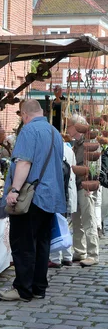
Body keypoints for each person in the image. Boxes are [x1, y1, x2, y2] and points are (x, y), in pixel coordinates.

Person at [0, 99, 66, 302]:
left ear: (24, 115)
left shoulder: (28, 131)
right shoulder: (55, 133)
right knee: (42, 243)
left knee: (23, 243)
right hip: (50, 196)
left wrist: (14, 190)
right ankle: (38, 287)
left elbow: (24, 163)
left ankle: (23, 289)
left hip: (31, 197)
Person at [67, 114, 99, 266]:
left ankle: (93, 253)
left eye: (69, 126)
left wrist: (91, 185)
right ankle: (80, 251)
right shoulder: (77, 144)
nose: (67, 129)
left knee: (88, 220)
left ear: (76, 127)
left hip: (85, 187)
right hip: (76, 186)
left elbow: (95, 166)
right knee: (76, 220)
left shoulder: (89, 143)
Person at [49, 140, 77, 267]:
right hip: (66, 193)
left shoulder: (54, 154)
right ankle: (67, 256)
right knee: (64, 225)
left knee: (56, 225)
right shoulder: (69, 150)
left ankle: (55, 258)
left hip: (57, 196)